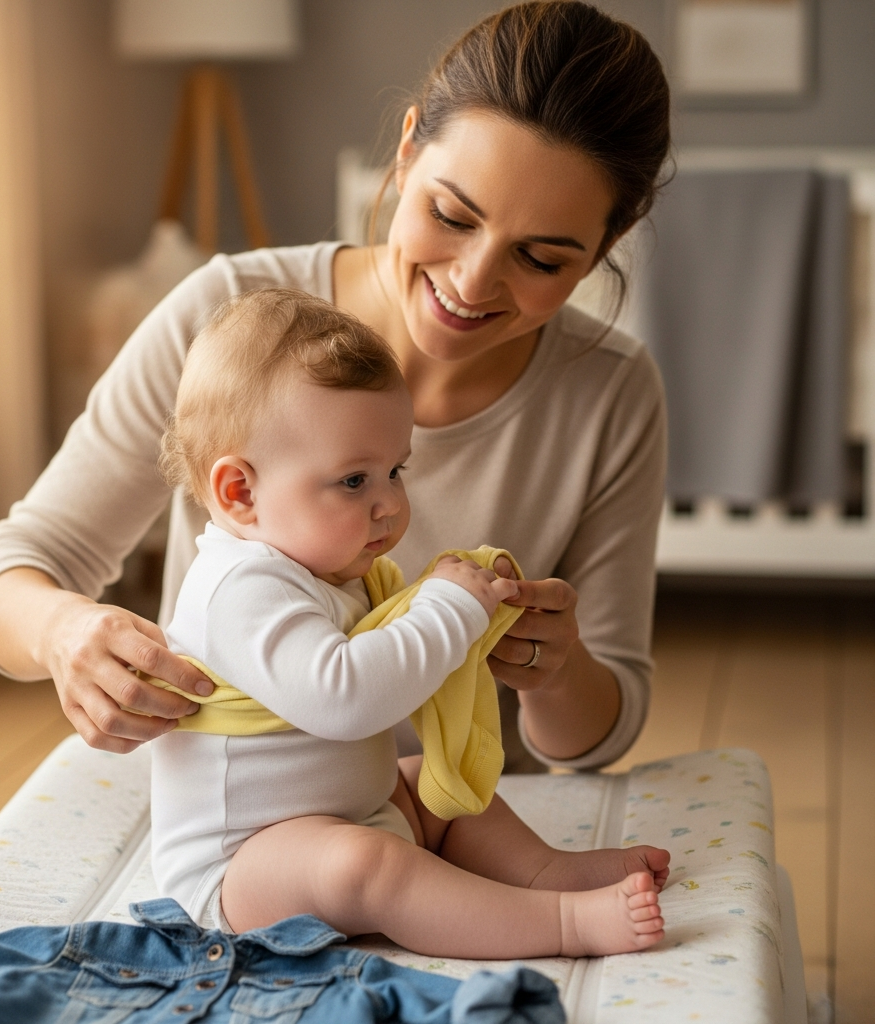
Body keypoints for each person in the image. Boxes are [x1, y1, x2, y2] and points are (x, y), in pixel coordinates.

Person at [0, 2, 670, 778]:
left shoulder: (612, 393)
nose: (471, 282)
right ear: (406, 153)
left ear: (605, 246)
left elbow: (596, 739)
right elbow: (19, 568)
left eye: (540, 259)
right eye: (449, 214)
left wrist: (559, 672)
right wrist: (65, 632)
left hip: (451, 826)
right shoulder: (223, 313)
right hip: (239, 815)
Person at [151, 287, 668, 957]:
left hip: (353, 814)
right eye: (354, 481)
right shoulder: (238, 588)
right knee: (368, 866)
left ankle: (548, 874)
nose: (391, 503)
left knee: (432, 784)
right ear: (239, 492)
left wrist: (478, 628)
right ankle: (562, 926)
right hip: (242, 871)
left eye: (395, 470)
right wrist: (448, 612)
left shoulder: (327, 571)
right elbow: (343, 698)